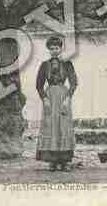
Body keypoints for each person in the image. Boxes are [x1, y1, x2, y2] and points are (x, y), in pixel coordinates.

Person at [36, 36, 78, 171]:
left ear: (61, 49)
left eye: (57, 48)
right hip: (50, 97)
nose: (54, 51)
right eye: (52, 48)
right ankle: (52, 161)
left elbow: (73, 83)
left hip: (63, 96)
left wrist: (68, 98)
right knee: (51, 126)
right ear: (49, 50)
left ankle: (64, 161)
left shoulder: (67, 64)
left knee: (63, 126)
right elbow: (39, 85)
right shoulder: (44, 65)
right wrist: (45, 99)